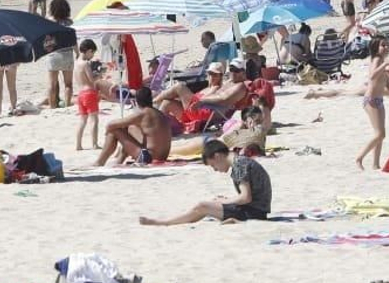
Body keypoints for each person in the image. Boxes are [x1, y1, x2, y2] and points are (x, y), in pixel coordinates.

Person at [138, 138, 271, 225]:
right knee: (211, 203)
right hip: (257, 210)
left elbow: (245, 197)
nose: (215, 169)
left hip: (254, 213)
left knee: (202, 206)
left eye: (213, 165)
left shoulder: (239, 165)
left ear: (217, 156)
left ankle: (164, 223)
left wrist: (223, 201)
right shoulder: (241, 161)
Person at [93, 88, 172, 167]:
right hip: (162, 156)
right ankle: (119, 161)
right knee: (131, 128)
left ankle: (100, 162)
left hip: (148, 157)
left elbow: (111, 125)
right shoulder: (158, 113)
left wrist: (108, 131)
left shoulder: (143, 114)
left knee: (114, 130)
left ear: (137, 102)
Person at [354, 36, 389, 170]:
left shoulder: (382, 62)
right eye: (383, 45)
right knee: (380, 134)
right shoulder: (377, 59)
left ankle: (375, 164)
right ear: (376, 48)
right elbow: (372, 76)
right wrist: (385, 65)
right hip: (371, 100)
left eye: (387, 45)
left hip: (379, 100)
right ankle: (359, 157)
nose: (386, 47)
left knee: (380, 134)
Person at [73, 38, 102, 151]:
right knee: (94, 119)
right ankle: (94, 144)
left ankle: (78, 145)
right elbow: (91, 80)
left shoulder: (76, 63)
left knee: (82, 120)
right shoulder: (85, 64)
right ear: (89, 50)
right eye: (92, 53)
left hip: (80, 94)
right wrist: (100, 74)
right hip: (89, 93)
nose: (92, 56)